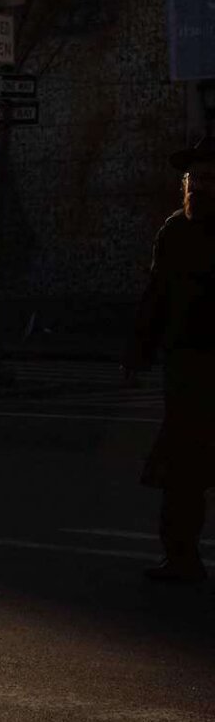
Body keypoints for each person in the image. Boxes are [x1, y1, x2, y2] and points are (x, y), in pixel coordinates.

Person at [125, 133, 215, 584]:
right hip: (186, 365)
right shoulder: (175, 229)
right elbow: (156, 295)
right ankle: (181, 557)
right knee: (183, 468)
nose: (198, 186)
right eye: (193, 178)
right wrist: (139, 349)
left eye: (208, 178)